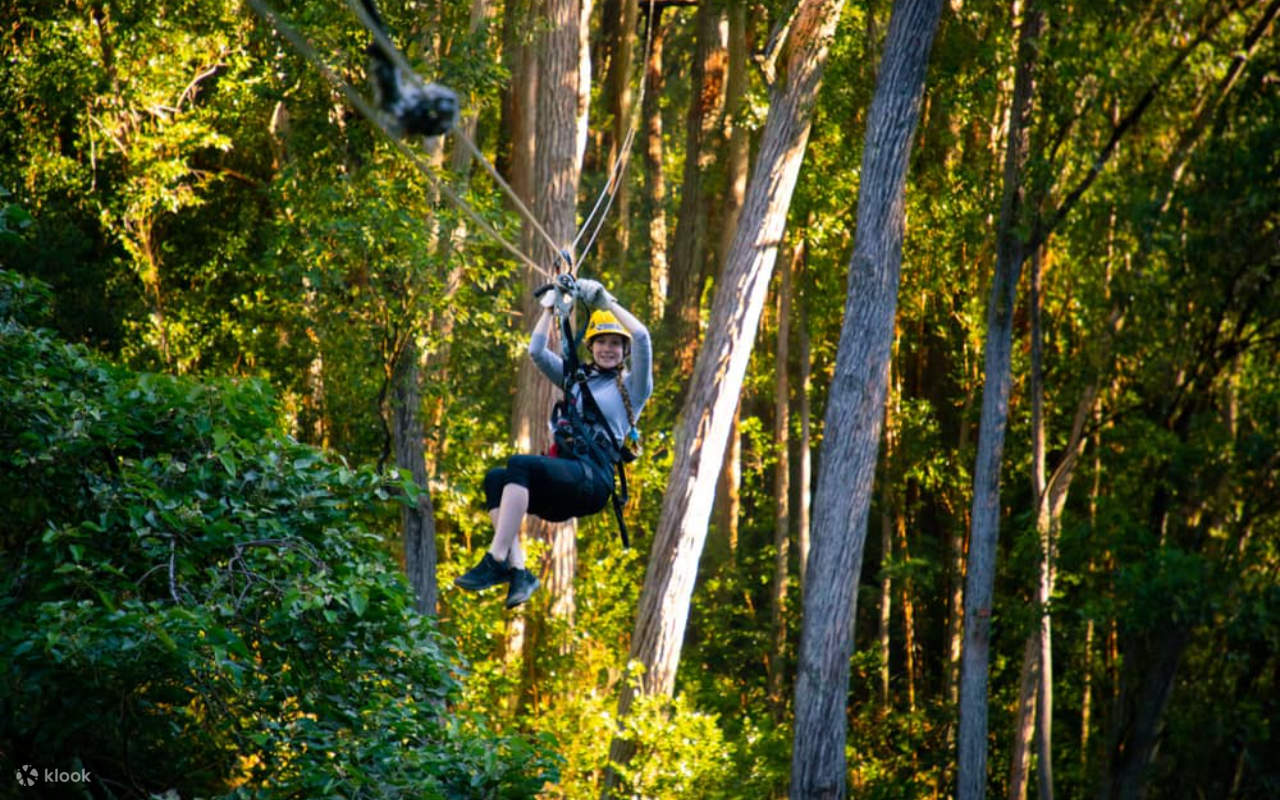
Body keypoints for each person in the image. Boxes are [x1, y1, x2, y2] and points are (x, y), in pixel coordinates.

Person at [454, 278, 653, 608]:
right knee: (495, 478)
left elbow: (644, 337)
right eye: (601, 342)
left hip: (594, 481)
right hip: (566, 485)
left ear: (624, 352)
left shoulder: (633, 388)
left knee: (520, 464)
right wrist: (549, 309)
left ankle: (495, 559)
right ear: (589, 346)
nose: (607, 349)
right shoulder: (576, 380)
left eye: (615, 344)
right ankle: (518, 572)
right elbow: (535, 352)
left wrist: (606, 302)